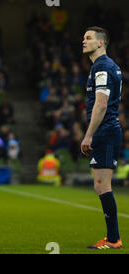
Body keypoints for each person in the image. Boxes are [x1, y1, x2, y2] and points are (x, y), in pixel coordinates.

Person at [80, 26, 123, 249]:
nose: (83, 41)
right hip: (105, 131)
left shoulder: (103, 67)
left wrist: (89, 135)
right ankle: (112, 237)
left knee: (102, 185)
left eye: (88, 38)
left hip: (105, 131)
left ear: (101, 43)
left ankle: (114, 239)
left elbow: (102, 103)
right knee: (100, 185)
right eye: (83, 38)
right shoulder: (102, 66)